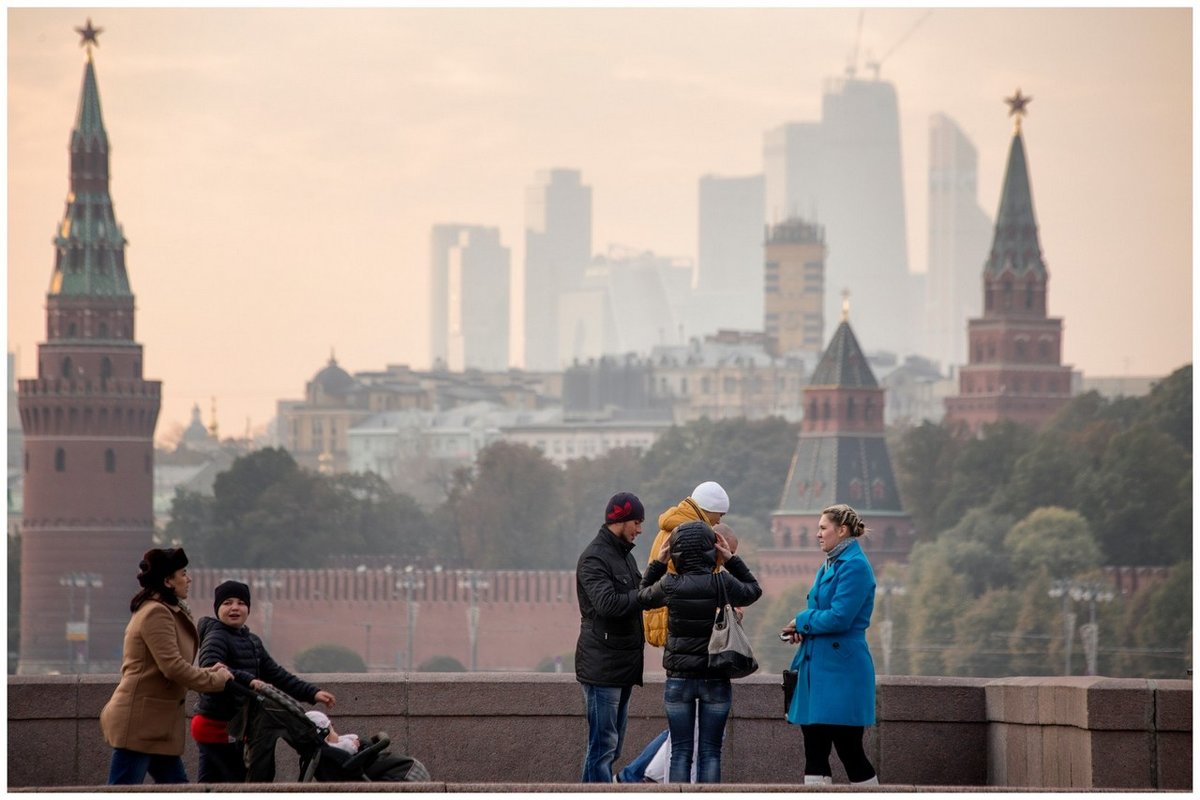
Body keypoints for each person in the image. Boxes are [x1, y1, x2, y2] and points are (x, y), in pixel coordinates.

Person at [638, 519, 762, 783]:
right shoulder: (722, 583)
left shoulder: (670, 584)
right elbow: (753, 590)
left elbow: (643, 595)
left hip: (679, 677)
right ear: (711, 549)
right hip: (715, 675)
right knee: (711, 752)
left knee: (680, 751)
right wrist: (730, 559)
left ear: (676, 551)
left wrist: (659, 563)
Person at [99, 548, 233, 785]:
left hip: (156, 725)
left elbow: (171, 665)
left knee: (177, 789)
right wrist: (216, 680)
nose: (188, 579)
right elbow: (173, 668)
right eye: (183, 573)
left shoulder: (165, 610)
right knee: (122, 791)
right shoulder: (156, 613)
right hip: (140, 725)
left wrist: (207, 671)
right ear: (167, 581)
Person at [191, 580, 337, 783]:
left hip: (232, 725)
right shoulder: (216, 636)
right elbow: (211, 668)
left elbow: (276, 674)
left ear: (248, 609)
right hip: (217, 725)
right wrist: (250, 680)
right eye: (227, 603)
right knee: (235, 783)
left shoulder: (251, 641)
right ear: (217, 609)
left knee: (210, 784)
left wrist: (311, 692)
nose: (235, 607)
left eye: (241, 602)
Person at [780, 503, 880, 786]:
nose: (818, 534)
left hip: (842, 671)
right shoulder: (831, 564)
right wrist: (802, 629)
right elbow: (824, 614)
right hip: (819, 668)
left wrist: (802, 621)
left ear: (842, 530)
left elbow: (840, 618)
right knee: (814, 750)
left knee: (850, 750)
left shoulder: (856, 566)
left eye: (823, 528)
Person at [574, 491, 653, 783]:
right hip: (602, 667)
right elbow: (608, 604)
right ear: (619, 520)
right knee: (603, 746)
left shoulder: (624, 558)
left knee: (611, 746)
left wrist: (658, 574)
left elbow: (640, 590)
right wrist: (647, 596)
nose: (640, 529)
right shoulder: (594, 558)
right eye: (637, 522)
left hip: (621, 665)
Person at [643, 481, 730, 648]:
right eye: (720, 514)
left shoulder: (672, 529)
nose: (719, 521)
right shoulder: (691, 535)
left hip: (667, 617)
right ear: (710, 509)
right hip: (682, 624)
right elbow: (699, 581)